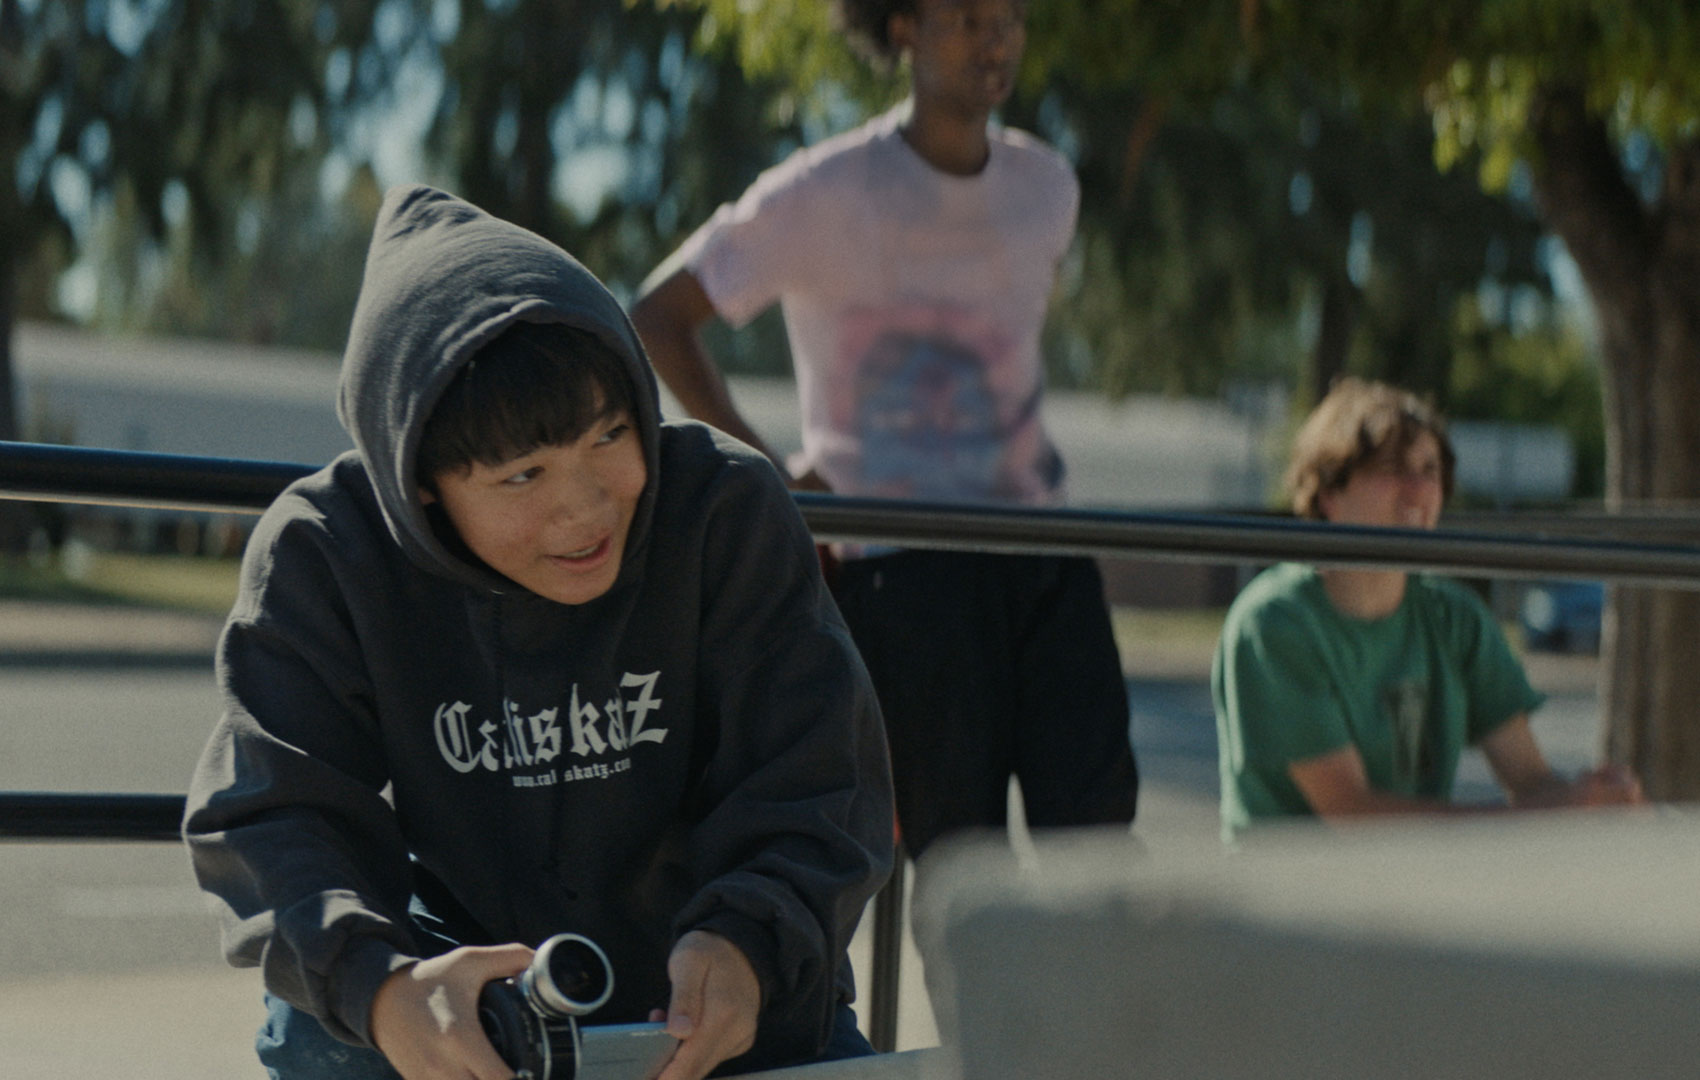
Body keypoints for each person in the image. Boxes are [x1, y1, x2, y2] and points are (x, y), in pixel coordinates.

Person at [181, 184, 894, 1080]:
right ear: (421, 482)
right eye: (523, 476)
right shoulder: (326, 552)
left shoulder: (728, 512)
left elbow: (823, 773)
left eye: (611, 434)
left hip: (721, 983)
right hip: (461, 990)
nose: (588, 508)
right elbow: (272, 812)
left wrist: (749, 941)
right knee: (317, 1022)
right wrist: (384, 984)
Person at [630, 0, 1138, 882]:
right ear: (902, 26)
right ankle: (981, 1032)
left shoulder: (1046, 187)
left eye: (1011, 15)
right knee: (959, 866)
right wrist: (773, 475)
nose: (996, 37)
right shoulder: (823, 192)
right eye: (967, 15)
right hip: (905, 570)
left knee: (1097, 850)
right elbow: (657, 319)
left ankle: (1087, 1029)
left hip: (1045, 551)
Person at [1212, 377, 1642, 842]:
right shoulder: (1273, 623)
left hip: (1414, 889)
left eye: (1431, 469)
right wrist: (1556, 810)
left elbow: (1532, 782)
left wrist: (1597, 798)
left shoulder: (1453, 616)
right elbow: (1351, 814)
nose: (1418, 490)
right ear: (1327, 494)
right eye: (1392, 468)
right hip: (1287, 899)